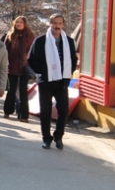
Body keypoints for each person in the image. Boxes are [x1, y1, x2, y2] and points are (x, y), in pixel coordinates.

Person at [28, 14, 77, 150]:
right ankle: (46, 138)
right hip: (46, 82)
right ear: (49, 24)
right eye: (54, 23)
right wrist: (44, 71)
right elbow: (32, 60)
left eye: (60, 23)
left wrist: (68, 74)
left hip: (62, 82)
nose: (57, 26)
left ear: (63, 25)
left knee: (63, 111)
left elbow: (73, 60)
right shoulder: (41, 41)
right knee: (45, 111)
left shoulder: (68, 41)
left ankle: (59, 136)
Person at [3, 16, 35, 122]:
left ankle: (23, 115)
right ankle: (7, 111)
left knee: (23, 91)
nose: (19, 24)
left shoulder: (30, 36)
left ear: (25, 24)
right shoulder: (10, 35)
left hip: (24, 67)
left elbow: (33, 52)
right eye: (17, 22)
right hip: (11, 67)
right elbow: (4, 50)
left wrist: (29, 63)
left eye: (21, 22)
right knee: (11, 90)